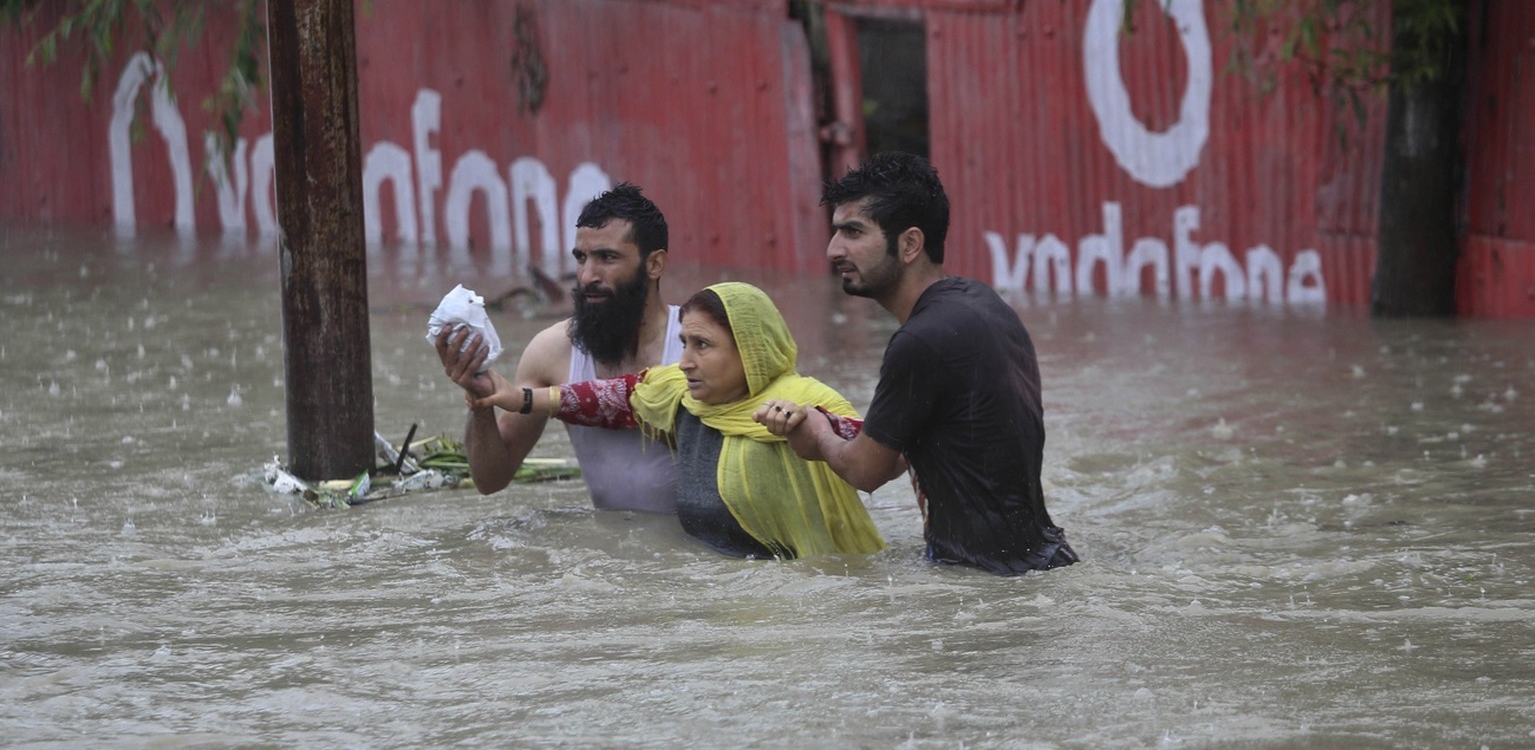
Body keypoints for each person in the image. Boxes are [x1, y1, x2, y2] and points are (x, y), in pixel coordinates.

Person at [754, 152, 1078, 575]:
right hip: (1041, 561)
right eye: (836, 232)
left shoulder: (921, 341)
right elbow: (902, 454)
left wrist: (816, 432)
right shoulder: (983, 303)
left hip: (981, 581)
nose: (834, 250)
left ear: (909, 244)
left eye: (853, 232)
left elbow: (865, 471)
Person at [464, 282, 885, 559]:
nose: (684, 362)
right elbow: (606, 398)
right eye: (684, 343)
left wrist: (814, 429)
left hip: (809, 600)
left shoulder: (806, 401)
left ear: (750, 350)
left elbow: (882, 452)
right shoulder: (678, 396)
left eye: (703, 345)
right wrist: (516, 398)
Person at [436, 182, 680, 513]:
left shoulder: (697, 343)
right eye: (581, 258)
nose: (587, 276)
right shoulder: (553, 350)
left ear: (655, 265)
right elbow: (490, 480)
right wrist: (481, 402)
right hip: (609, 555)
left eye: (607, 257)